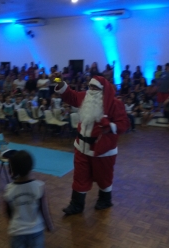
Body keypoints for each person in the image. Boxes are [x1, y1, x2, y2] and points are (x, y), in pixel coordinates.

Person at [54, 75, 129, 215]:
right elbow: (71, 96)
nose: (91, 90)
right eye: (90, 86)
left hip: (102, 150)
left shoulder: (115, 104)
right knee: (80, 176)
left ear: (102, 90)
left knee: (104, 176)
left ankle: (105, 200)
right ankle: (76, 205)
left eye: (95, 87)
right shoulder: (85, 98)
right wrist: (60, 82)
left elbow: (124, 124)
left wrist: (110, 126)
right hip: (81, 147)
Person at [4, 150, 53, 248]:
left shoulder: (9, 189)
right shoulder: (39, 186)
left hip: (17, 232)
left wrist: (12, 224)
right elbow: (44, 210)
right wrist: (49, 225)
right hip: (36, 231)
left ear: (13, 168)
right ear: (31, 166)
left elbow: (8, 212)